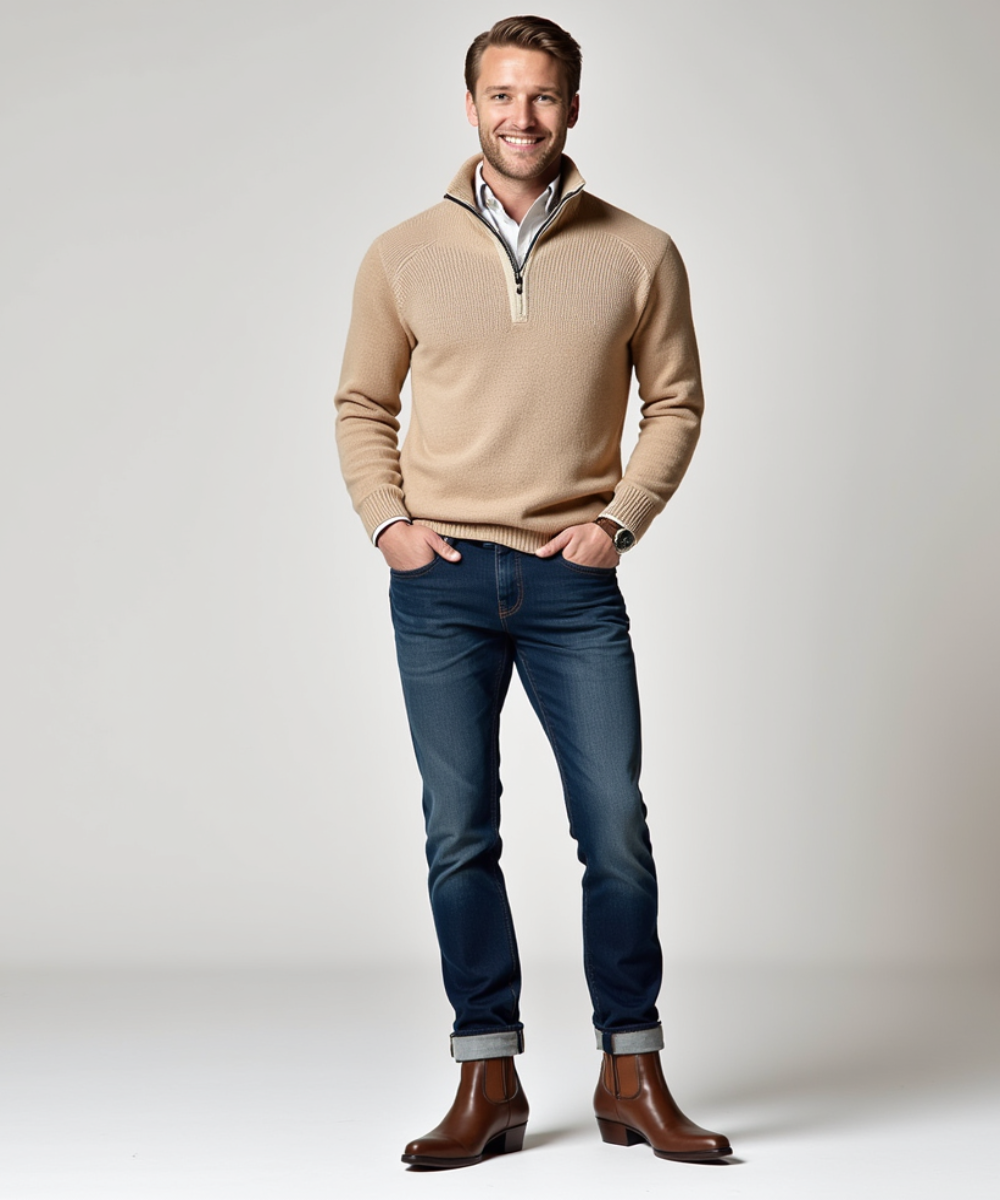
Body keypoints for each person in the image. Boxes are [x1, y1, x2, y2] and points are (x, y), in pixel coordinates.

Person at [334, 14, 731, 1169]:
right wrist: (389, 525)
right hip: (442, 582)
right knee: (458, 832)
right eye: (502, 95)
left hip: (570, 585)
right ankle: (487, 1076)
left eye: (543, 95)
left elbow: (677, 401)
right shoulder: (401, 253)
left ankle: (631, 1071)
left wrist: (618, 521)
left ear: (573, 108)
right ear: (470, 107)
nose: (522, 116)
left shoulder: (639, 251)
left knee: (614, 827)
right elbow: (361, 404)